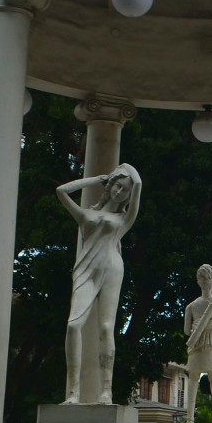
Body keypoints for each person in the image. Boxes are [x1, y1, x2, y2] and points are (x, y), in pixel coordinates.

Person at [56, 164, 142, 404]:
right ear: (111, 185)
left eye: (124, 190)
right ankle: (72, 393)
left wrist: (129, 174)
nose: (119, 192)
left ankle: (106, 391)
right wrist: (97, 178)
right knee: (74, 325)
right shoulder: (86, 215)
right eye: (117, 186)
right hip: (85, 268)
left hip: (112, 268)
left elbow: (138, 185)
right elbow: (61, 191)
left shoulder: (123, 219)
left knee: (106, 328)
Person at [183, 264, 212, 423]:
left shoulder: (192, 306)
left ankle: (190, 420)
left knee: (195, 379)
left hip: (199, 344)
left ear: (198, 281)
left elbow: (187, 331)